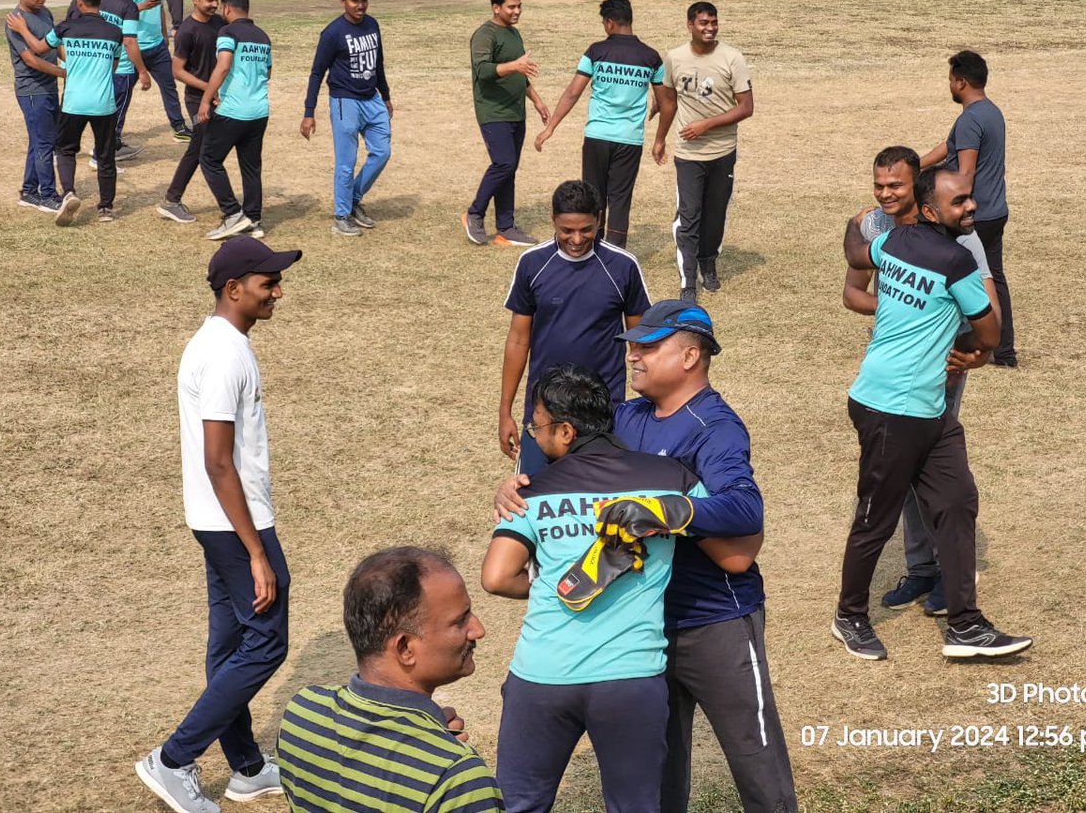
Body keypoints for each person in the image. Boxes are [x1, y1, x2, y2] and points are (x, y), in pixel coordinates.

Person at [496, 301, 798, 813]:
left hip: (715, 621)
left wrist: (667, 509)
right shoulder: (626, 417)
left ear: (690, 356)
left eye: (648, 347)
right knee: (658, 780)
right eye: (633, 347)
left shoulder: (715, 427)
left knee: (757, 763)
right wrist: (520, 484)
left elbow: (745, 509)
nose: (633, 357)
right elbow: (567, 452)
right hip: (642, 631)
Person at [483, 363, 711, 813]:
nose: (533, 436)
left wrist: (550, 581)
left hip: (540, 678)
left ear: (566, 432)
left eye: (537, 427)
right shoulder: (672, 480)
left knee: (519, 805)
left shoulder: (531, 492)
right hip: (629, 680)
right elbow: (735, 545)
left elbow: (496, 576)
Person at [837, 166, 1032, 661]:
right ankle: (849, 616)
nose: (970, 207)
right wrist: (975, 350)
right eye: (960, 202)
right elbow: (991, 334)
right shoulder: (955, 262)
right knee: (875, 518)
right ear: (930, 211)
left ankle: (965, 625)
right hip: (890, 408)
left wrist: (853, 223)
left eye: (969, 198)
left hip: (927, 409)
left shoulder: (893, 242)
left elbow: (856, 254)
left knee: (957, 500)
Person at [136, 235, 302, 813]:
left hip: (215, 521)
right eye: (267, 283)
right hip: (236, 525)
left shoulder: (219, 342)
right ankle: (174, 758)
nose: (278, 291)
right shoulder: (227, 353)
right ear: (234, 289)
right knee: (266, 641)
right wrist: (256, 551)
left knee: (230, 641)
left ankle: (247, 769)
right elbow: (217, 458)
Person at [278, 548, 504, 812]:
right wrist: (440, 758)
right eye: (460, 620)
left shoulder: (301, 714)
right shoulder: (457, 780)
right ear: (405, 648)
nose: (478, 630)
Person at [500, 180, 651, 475]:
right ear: (553, 221)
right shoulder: (532, 264)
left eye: (587, 229)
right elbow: (518, 341)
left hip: (603, 416)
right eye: (566, 230)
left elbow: (641, 346)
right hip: (544, 416)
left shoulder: (623, 267)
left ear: (599, 219)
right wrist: (505, 411)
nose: (577, 239)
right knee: (531, 500)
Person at [532, 0, 672, 247]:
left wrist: (550, 127)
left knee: (594, 196)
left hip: (597, 136)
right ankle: (615, 255)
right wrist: (659, 138)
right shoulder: (650, 57)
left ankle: (591, 250)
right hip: (629, 139)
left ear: (609, 23)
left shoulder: (596, 51)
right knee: (620, 199)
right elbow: (667, 102)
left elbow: (573, 92)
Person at [920, 50, 1016, 366]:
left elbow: (965, 174)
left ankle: (969, 344)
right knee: (995, 279)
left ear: (960, 82)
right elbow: (950, 146)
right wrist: (915, 164)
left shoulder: (969, 120)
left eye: (950, 79)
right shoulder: (990, 112)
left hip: (975, 216)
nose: (948, 85)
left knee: (956, 278)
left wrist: (947, 204)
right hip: (996, 209)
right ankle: (1004, 352)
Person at [653, 2, 753, 302]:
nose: (709, 28)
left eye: (713, 22)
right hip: (689, 154)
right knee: (689, 215)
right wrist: (660, 139)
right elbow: (669, 101)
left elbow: (746, 107)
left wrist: (707, 125)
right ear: (689, 25)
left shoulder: (732, 58)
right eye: (703, 23)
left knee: (715, 214)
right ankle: (688, 282)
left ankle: (708, 261)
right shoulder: (674, 58)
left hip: (723, 151)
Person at [10, 0, 123, 225]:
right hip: (104, 103)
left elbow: (38, 49)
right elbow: (112, 67)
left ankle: (68, 192)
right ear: (99, 3)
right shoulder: (115, 32)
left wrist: (22, 30)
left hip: (74, 102)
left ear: (79, 2)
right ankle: (106, 208)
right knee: (105, 156)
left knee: (65, 150)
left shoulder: (65, 27)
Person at [300, 0, 393, 238]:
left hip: (372, 98)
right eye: (355, 0)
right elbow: (317, 73)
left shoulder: (373, 25)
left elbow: (379, 64)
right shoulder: (332, 33)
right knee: (346, 163)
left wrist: (385, 96)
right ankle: (341, 216)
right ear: (343, 1)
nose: (360, 4)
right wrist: (309, 112)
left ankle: (353, 199)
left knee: (382, 151)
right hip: (345, 101)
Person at [463, 0, 549, 247]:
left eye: (519, 6)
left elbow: (519, 76)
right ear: (496, 7)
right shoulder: (484, 35)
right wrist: (515, 65)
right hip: (493, 111)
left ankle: (506, 227)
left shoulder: (514, 35)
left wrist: (536, 100)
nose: (517, 11)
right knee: (503, 163)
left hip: (515, 112)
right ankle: (474, 213)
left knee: (509, 169)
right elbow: (484, 71)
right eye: (512, 7)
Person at [198, 0, 272, 241]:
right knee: (251, 167)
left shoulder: (227, 31)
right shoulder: (262, 36)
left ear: (227, 8)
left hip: (233, 110)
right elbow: (268, 73)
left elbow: (224, 65)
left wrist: (206, 99)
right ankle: (253, 220)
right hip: (259, 112)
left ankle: (232, 214)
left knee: (209, 158)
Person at [158, 0, 225, 224]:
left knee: (207, 149)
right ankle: (172, 200)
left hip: (220, 98)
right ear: (195, 0)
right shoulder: (187, 31)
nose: (214, 4)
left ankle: (176, 200)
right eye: (209, 0)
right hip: (199, 100)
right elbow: (178, 71)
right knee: (199, 147)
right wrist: (209, 88)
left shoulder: (219, 23)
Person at [5, 0, 64, 215]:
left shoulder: (46, 13)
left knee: (39, 140)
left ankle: (29, 191)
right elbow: (31, 60)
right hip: (32, 90)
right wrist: (64, 74)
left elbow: (55, 44)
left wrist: (72, 63)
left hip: (49, 86)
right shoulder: (15, 20)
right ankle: (47, 196)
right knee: (44, 143)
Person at [95, 0, 152, 163]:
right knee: (116, 111)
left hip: (100, 64)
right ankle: (110, 148)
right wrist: (143, 71)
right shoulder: (129, 6)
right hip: (123, 67)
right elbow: (129, 42)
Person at [135, 0, 193, 141]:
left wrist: (163, 36)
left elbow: (160, 10)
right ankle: (113, 135)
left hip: (157, 47)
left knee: (169, 86)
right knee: (121, 93)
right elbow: (122, 12)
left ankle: (179, 127)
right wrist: (141, 6)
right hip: (135, 49)